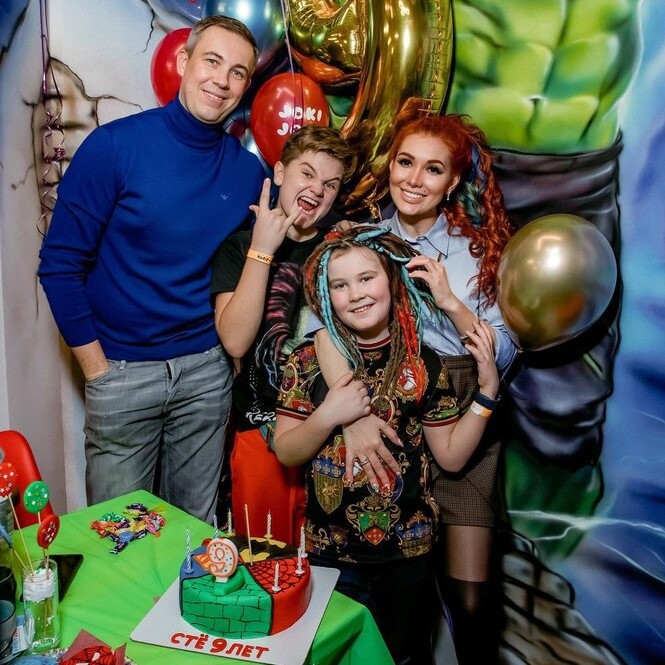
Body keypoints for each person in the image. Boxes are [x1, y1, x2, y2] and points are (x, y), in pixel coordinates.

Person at [37, 15, 265, 522]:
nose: (221, 80)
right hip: (122, 371)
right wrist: (98, 370)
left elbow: (248, 267)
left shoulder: (248, 172)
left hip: (205, 374)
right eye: (211, 61)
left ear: (246, 85)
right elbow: (59, 265)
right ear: (183, 61)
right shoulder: (114, 147)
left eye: (237, 72)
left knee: (193, 535)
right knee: (118, 536)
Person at [314, 112, 516, 664]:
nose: (414, 179)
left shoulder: (475, 250)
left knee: (468, 594)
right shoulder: (364, 240)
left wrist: (449, 302)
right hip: (386, 408)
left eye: (433, 169)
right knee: (402, 589)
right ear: (390, 166)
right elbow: (319, 327)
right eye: (406, 162)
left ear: (452, 182)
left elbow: (503, 352)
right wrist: (352, 413)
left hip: (463, 405)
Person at [273, 225, 500, 665]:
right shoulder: (307, 361)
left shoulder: (424, 363)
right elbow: (287, 451)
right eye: (340, 285)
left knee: (402, 657)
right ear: (325, 296)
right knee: (333, 656)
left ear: (392, 281)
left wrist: (486, 395)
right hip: (330, 551)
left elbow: (452, 457)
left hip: (408, 553)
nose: (355, 294)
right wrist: (328, 415)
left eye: (366, 278)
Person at [210, 125, 356, 545]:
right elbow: (235, 341)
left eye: (330, 184)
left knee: (325, 564)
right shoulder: (239, 247)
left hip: (333, 432)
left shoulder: (342, 248)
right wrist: (262, 250)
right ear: (279, 172)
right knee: (265, 561)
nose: (316, 190)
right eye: (306, 174)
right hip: (261, 431)